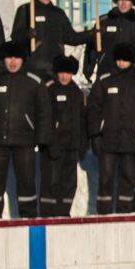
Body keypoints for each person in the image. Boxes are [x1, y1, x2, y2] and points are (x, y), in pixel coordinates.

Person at [0, 40, 50, 219]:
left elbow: (44, 111)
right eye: (9, 57)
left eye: (17, 58)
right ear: (3, 59)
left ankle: (29, 217)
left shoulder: (34, 81)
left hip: (25, 140)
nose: (12, 62)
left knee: (26, 183)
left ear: (23, 60)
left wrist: (41, 137)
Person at [86, 42, 135, 215]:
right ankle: (104, 212)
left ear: (131, 61)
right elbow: (94, 109)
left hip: (130, 142)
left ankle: (125, 212)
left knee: (128, 178)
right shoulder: (104, 81)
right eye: (119, 60)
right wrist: (95, 134)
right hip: (107, 140)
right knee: (106, 178)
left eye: (125, 60)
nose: (122, 63)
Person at [40, 55, 86, 218]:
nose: (64, 77)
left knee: (69, 182)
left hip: (71, 146)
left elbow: (81, 119)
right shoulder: (49, 90)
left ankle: (63, 212)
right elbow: (45, 118)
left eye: (67, 73)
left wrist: (82, 144)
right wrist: (50, 142)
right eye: (61, 73)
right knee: (51, 181)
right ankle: (48, 214)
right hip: (54, 147)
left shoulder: (77, 93)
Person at [10, 0, 87, 78]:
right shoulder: (26, 9)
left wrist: (91, 34)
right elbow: (15, 37)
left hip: (55, 67)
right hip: (33, 66)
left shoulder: (58, 13)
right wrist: (27, 34)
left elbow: (71, 38)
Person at [86, 0, 135, 80]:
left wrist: (134, 63)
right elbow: (91, 47)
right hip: (106, 69)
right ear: (116, 1)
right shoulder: (103, 21)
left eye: (127, 0)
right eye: (121, 0)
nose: (123, 3)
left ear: (132, 2)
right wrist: (88, 70)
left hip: (130, 73)